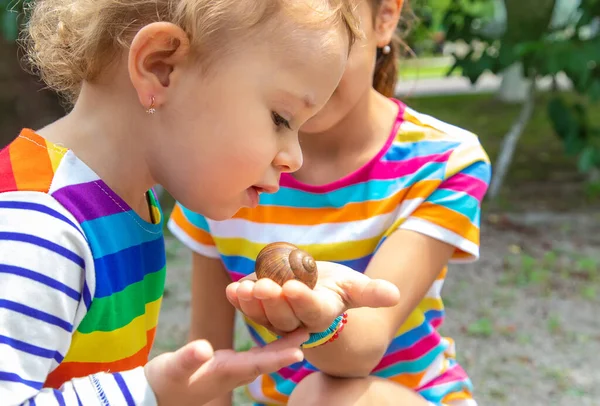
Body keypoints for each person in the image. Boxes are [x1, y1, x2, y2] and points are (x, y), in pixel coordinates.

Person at [0, 0, 397, 405]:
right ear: (160, 67)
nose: (294, 158)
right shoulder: (40, 229)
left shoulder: (125, 206)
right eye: (281, 118)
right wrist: (150, 393)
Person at [167, 0, 493, 405]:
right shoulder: (220, 169)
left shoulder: (444, 161)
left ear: (385, 17)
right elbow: (209, 357)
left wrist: (320, 319)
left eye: (331, 29)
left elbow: (366, 342)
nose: (303, 71)